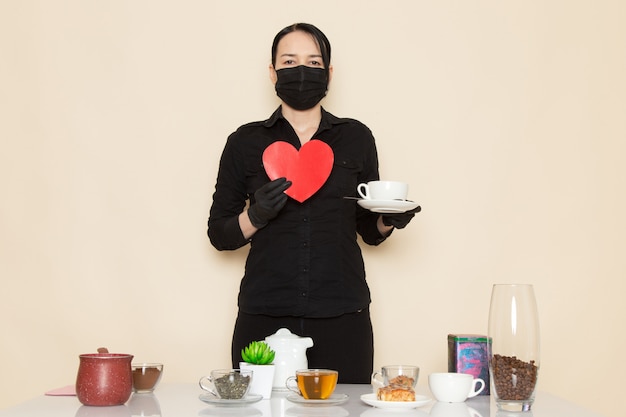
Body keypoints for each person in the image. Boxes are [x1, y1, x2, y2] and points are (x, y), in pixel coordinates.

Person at [207, 23, 419, 383]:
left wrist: (389, 219)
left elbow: (368, 229)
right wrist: (255, 215)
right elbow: (219, 234)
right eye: (289, 61)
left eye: (313, 62)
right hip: (265, 313)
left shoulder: (356, 138)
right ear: (272, 71)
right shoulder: (244, 142)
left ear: (329, 73)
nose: (301, 71)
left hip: (342, 314)